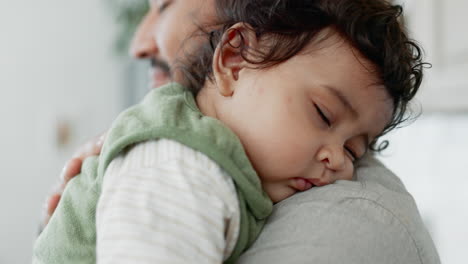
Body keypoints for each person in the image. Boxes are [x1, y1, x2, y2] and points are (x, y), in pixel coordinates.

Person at [41, 0, 441, 263]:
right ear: (234, 60)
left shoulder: (358, 215)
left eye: (355, 151)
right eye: (322, 113)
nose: (340, 162)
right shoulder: (183, 164)